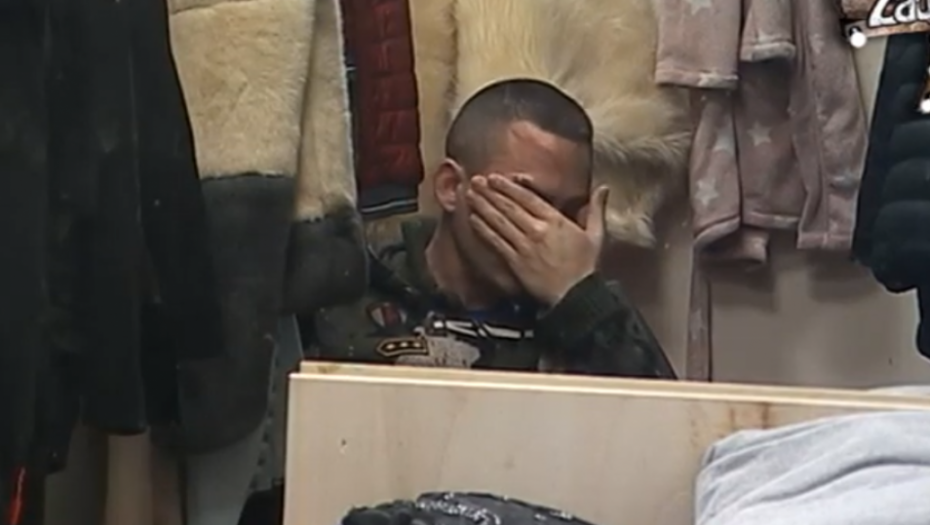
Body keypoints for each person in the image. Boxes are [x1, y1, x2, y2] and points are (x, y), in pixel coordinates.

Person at [306, 78, 676, 378]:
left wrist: (580, 297)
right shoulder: (350, 294)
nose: (547, 232)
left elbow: (669, 432)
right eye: (527, 200)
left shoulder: (589, 317)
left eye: (567, 213)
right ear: (451, 187)